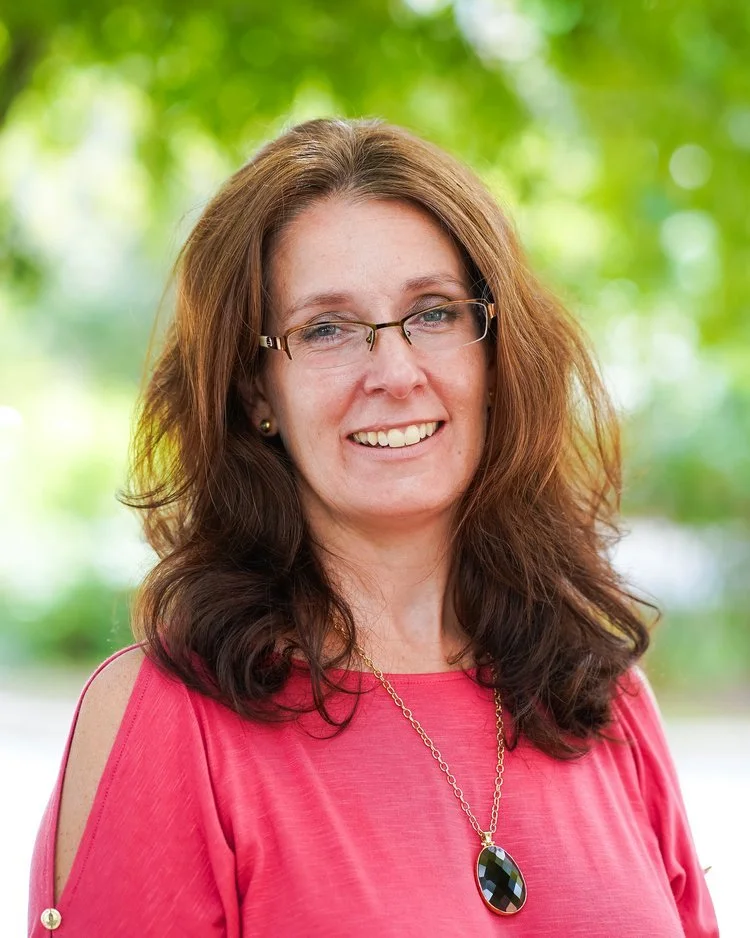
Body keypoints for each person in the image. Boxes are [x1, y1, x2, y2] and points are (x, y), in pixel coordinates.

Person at [29, 118, 718, 937]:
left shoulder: (604, 702)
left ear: (494, 356)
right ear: (256, 394)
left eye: (432, 313)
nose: (394, 372)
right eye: (326, 329)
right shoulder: (173, 720)